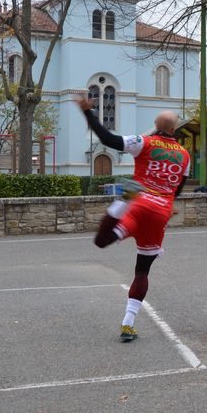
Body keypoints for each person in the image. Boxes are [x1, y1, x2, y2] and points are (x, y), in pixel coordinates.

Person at [76, 97, 190, 343]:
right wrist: (168, 204)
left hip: (139, 204)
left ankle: (121, 201)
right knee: (142, 270)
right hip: (160, 213)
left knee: (101, 241)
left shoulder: (143, 142)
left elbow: (107, 139)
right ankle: (128, 323)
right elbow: (178, 189)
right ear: (174, 129)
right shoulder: (185, 155)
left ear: (156, 125)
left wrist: (88, 112)